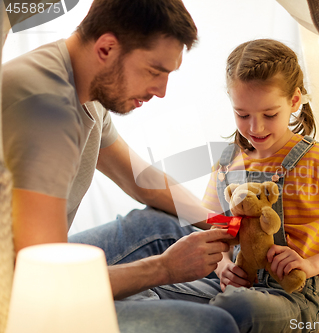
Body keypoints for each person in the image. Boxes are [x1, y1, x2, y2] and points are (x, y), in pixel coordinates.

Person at [2, 0, 239, 332]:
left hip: (39, 261)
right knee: (215, 325)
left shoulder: (84, 87)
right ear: (107, 48)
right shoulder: (46, 110)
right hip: (14, 292)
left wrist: (227, 224)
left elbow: (141, 179)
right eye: (155, 71)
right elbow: (46, 280)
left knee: (163, 226)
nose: (161, 91)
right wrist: (164, 269)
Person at [151, 39, 319, 332]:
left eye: (269, 115)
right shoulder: (226, 163)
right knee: (146, 293)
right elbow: (215, 230)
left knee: (238, 308)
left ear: (295, 101)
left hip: (291, 296)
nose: (255, 128)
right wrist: (223, 266)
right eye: (242, 114)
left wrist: (310, 265)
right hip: (229, 288)